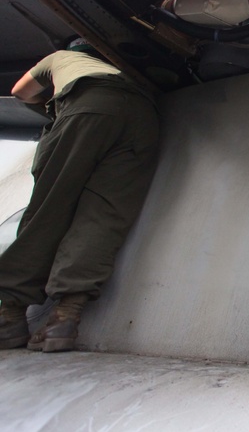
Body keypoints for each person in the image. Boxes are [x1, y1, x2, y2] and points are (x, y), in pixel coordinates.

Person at [0, 37, 159, 352]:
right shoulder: (122, 68)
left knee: (49, 206)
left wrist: (55, 108)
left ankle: (10, 315)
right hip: (144, 117)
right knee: (104, 216)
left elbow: (21, 91)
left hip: (89, 104)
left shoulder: (60, 57)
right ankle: (65, 316)